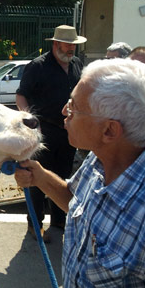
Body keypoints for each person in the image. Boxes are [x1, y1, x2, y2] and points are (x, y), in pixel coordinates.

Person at [15, 58, 145, 288]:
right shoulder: (100, 157)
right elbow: (74, 200)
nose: (64, 112)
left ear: (109, 130)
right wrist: (40, 177)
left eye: (73, 106)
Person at [16, 25, 87, 242]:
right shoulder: (37, 66)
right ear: (56, 44)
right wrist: (30, 122)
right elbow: (21, 97)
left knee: (64, 177)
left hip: (67, 131)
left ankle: (59, 220)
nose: (71, 50)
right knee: (37, 179)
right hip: (43, 131)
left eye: (74, 46)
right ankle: (35, 225)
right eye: (68, 46)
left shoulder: (76, 64)